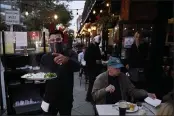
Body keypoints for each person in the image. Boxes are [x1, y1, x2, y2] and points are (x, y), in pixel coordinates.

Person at [40, 30, 80, 115]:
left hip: (65, 97)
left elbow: (77, 67)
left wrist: (67, 60)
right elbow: (42, 74)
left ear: (62, 40)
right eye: (52, 40)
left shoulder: (70, 53)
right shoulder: (45, 57)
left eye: (58, 40)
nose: (55, 42)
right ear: (49, 41)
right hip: (49, 97)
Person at [92, 57, 156, 104]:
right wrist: (105, 90)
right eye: (116, 68)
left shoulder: (123, 76)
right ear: (109, 68)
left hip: (121, 106)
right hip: (105, 107)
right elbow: (94, 96)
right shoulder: (100, 78)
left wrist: (146, 94)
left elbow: (132, 91)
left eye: (119, 67)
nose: (119, 70)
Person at [84, 35, 102, 102]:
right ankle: (89, 97)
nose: (99, 41)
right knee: (92, 83)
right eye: (98, 40)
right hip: (91, 68)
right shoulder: (90, 47)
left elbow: (98, 56)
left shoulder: (96, 46)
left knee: (94, 83)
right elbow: (86, 58)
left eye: (100, 40)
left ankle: (92, 97)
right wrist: (95, 60)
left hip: (95, 68)